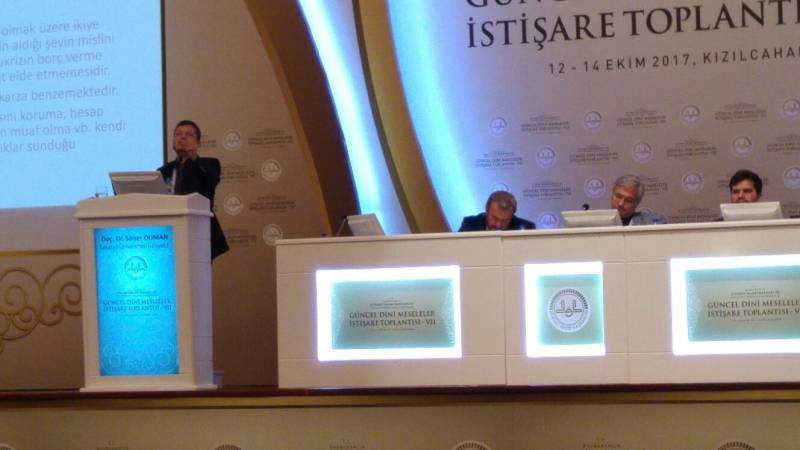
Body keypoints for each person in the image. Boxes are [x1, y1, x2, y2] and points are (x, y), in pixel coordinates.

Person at [158, 120, 229, 260]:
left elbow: (210, 181)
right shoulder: (163, 170)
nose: (182, 137)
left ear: (198, 143)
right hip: (170, 234)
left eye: (188, 135)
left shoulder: (210, 164)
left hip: (200, 232)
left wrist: (192, 158)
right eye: (178, 134)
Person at [459, 191, 535, 231]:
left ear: (512, 216)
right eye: (494, 218)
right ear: (486, 210)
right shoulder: (470, 224)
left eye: (505, 221)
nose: (498, 225)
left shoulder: (526, 228)